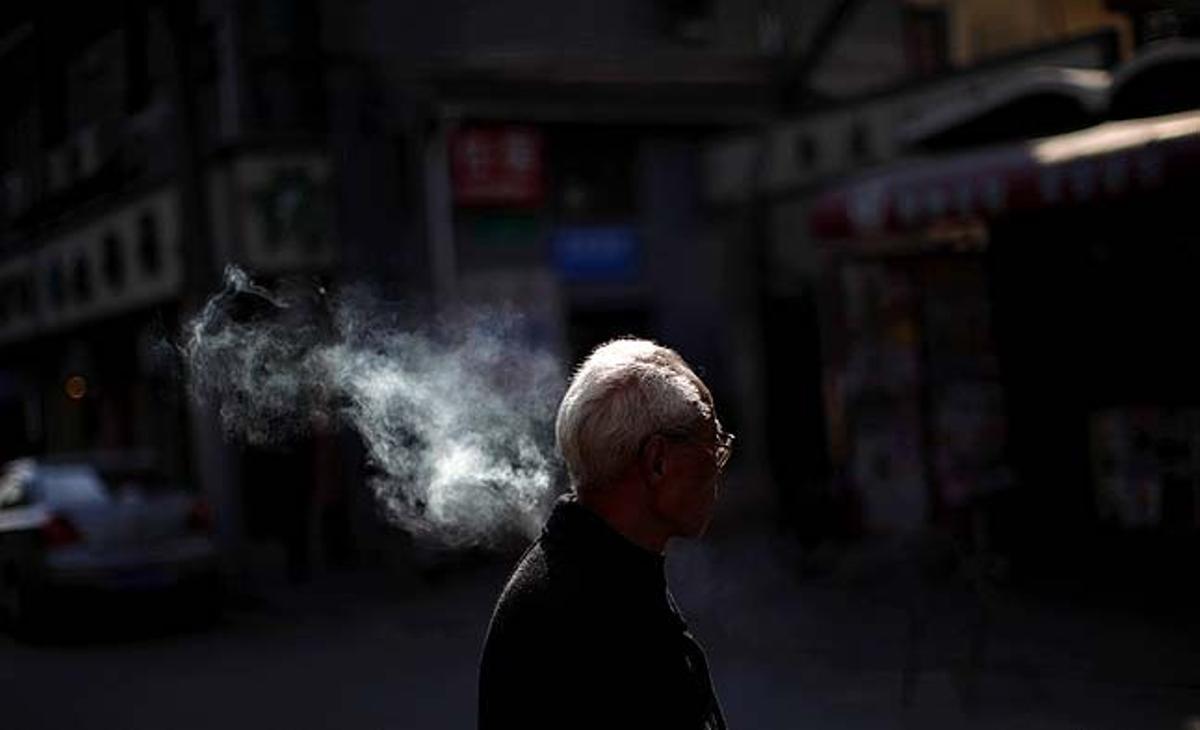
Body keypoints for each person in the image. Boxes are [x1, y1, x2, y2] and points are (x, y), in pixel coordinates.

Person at [478, 338, 733, 730]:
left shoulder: (600, 573)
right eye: (712, 444)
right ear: (658, 462)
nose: (718, 465)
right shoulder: (584, 616)